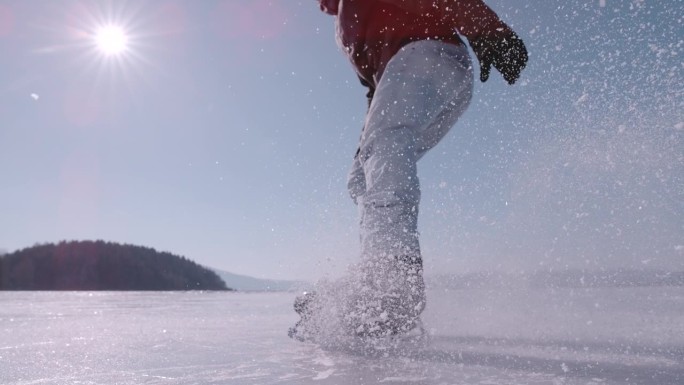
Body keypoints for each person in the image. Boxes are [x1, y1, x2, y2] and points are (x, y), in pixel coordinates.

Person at [290, 0, 528, 341]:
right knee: (360, 175)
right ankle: (373, 276)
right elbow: (376, 86)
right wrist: (366, 140)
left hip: (430, 54)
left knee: (386, 144)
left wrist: (487, 28)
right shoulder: (342, 24)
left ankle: (395, 283)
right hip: (413, 75)